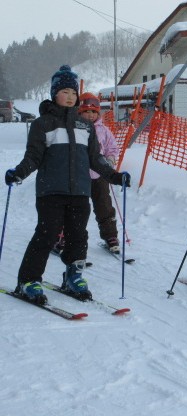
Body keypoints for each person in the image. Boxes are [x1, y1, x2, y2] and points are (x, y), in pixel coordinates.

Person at [4, 65, 130, 304]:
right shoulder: (43, 124)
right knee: (47, 234)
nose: (71, 97)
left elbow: (96, 159)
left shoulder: (85, 126)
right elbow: (33, 157)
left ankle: (73, 276)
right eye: (65, 92)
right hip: (51, 190)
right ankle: (28, 280)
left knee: (78, 236)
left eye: (73, 92)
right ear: (54, 94)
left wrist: (114, 176)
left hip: (79, 191)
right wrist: (18, 173)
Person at [53, 92, 122, 254]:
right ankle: (62, 236)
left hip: (98, 175)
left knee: (104, 206)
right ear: (79, 112)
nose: (90, 115)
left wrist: (110, 159)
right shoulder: (74, 128)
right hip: (77, 176)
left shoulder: (103, 130)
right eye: (86, 111)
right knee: (73, 208)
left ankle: (110, 236)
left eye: (94, 112)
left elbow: (112, 147)